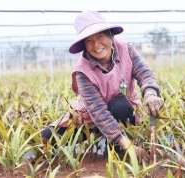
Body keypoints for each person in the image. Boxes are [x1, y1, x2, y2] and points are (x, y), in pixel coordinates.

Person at [42, 11, 163, 156]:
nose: (96, 45)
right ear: (84, 45)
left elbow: (144, 73)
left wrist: (150, 93)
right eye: (89, 41)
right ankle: (116, 141)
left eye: (100, 36)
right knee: (48, 136)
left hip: (122, 111)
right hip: (90, 118)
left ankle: (119, 150)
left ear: (110, 35)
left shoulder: (126, 50)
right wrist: (126, 144)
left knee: (119, 105)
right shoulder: (82, 71)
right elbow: (98, 112)